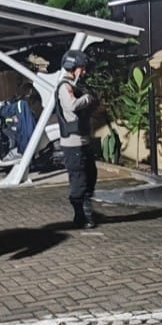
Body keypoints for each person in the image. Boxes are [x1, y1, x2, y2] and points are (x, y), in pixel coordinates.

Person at [55, 49, 99, 228]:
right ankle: (82, 215)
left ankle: (86, 211)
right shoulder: (64, 87)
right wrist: (87, 99)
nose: (84, 71)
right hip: (72, 143)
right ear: (72, 66)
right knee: (79, 179)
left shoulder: (75, 86)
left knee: (91, 175)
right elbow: (71, 105)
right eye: (82, 67)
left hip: (83, 139)